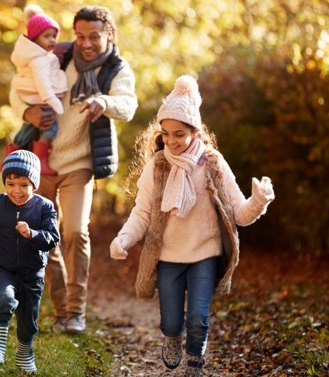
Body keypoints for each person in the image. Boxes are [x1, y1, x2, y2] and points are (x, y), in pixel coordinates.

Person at [109, 75, 275, 376]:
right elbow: (142, 214)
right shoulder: (157, 166)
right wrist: (123, 239)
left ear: (195, 131)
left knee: (198, 318)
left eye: (180, 134)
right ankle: (172, 338)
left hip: (204, 253)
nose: (172, 140)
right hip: (169, 257)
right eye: (167, 133)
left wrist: (259, 201)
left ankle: (194, 363)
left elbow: (238, 213)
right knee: (172, 322)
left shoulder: (212, 162)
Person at [9, 5, 138, 334]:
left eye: (94, 36)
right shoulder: (58, 55)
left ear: (108, 34)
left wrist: (104, 103)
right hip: (42, 162)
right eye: (80, 36)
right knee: (43, 236)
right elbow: (17, 89)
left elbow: (127, 104)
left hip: (79, 164)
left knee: (75, 232)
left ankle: (76, 311)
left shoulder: (116, 68)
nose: (86, 43)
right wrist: (29, 115)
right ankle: (60, 309)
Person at [0, 150, 60, 373]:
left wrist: (32, 234)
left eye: (24, 185)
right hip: (3, 268)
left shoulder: (45, 208)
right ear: (4, 182)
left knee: (28, 322)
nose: (16, 190)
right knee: (5, 298)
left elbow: (53, 239)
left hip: (33, 273)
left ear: (34, 184)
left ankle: (24, 353)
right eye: (10, 183)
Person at [5, 4, 68, 176]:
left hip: (33, 100)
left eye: (55, 36)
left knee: (28, 129)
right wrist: (53, 101)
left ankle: (10, 156)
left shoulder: (37, 56)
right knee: (50, 127)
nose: (53, 40)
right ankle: (40, 159)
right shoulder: (39, 59)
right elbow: (42, 83)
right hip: (42, 100)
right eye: (46, 36)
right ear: (34, 39)